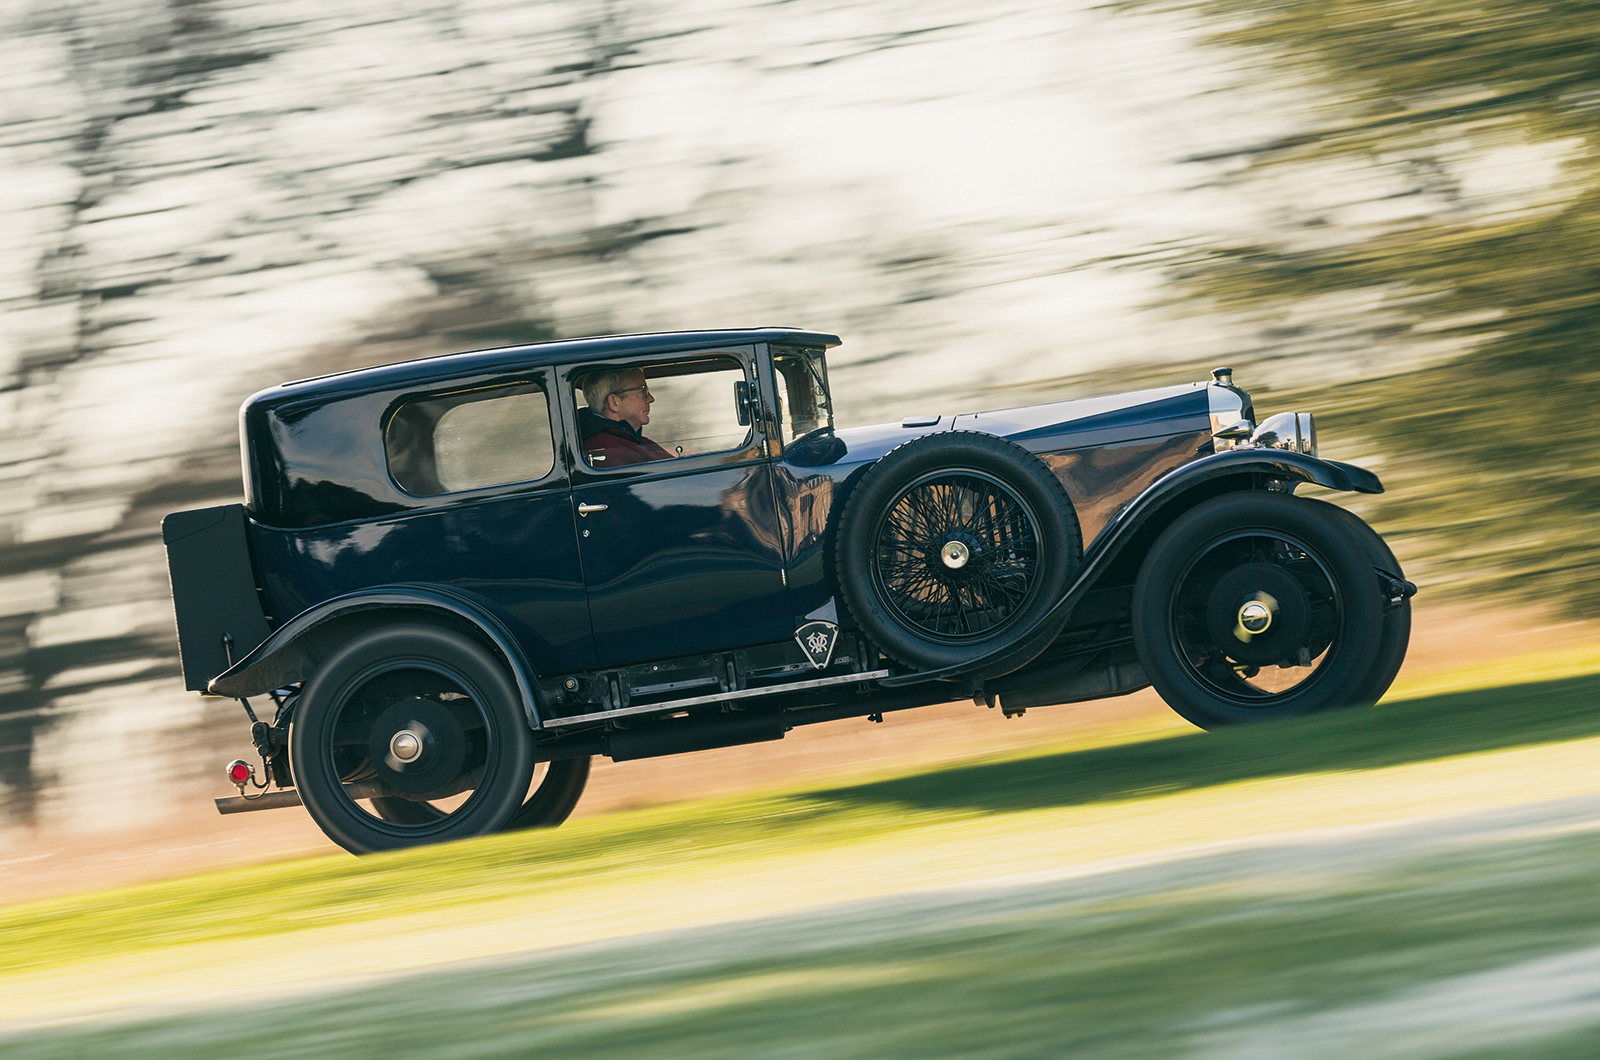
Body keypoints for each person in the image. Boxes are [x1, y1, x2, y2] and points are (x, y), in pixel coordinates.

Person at [575, 368, 673, 467]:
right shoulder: (609, 449)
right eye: (643, 391)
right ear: (614, 402)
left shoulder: (629, 439)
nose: (651, 399)